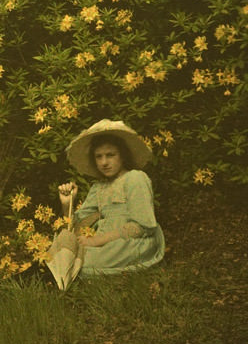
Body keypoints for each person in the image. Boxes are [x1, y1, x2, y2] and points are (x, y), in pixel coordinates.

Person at [53, 118, 165, 277]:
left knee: (79, 263)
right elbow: (78, 227)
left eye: (110, 155)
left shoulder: (135, 178)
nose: (104, 162)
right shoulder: (98, 187)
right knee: (63, 250)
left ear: (123, 156)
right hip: (101, 241)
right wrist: (67, 204)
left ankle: (65, 273)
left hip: (129, 241)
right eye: (99, 157)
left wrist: (95, 241)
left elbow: (143, 225)